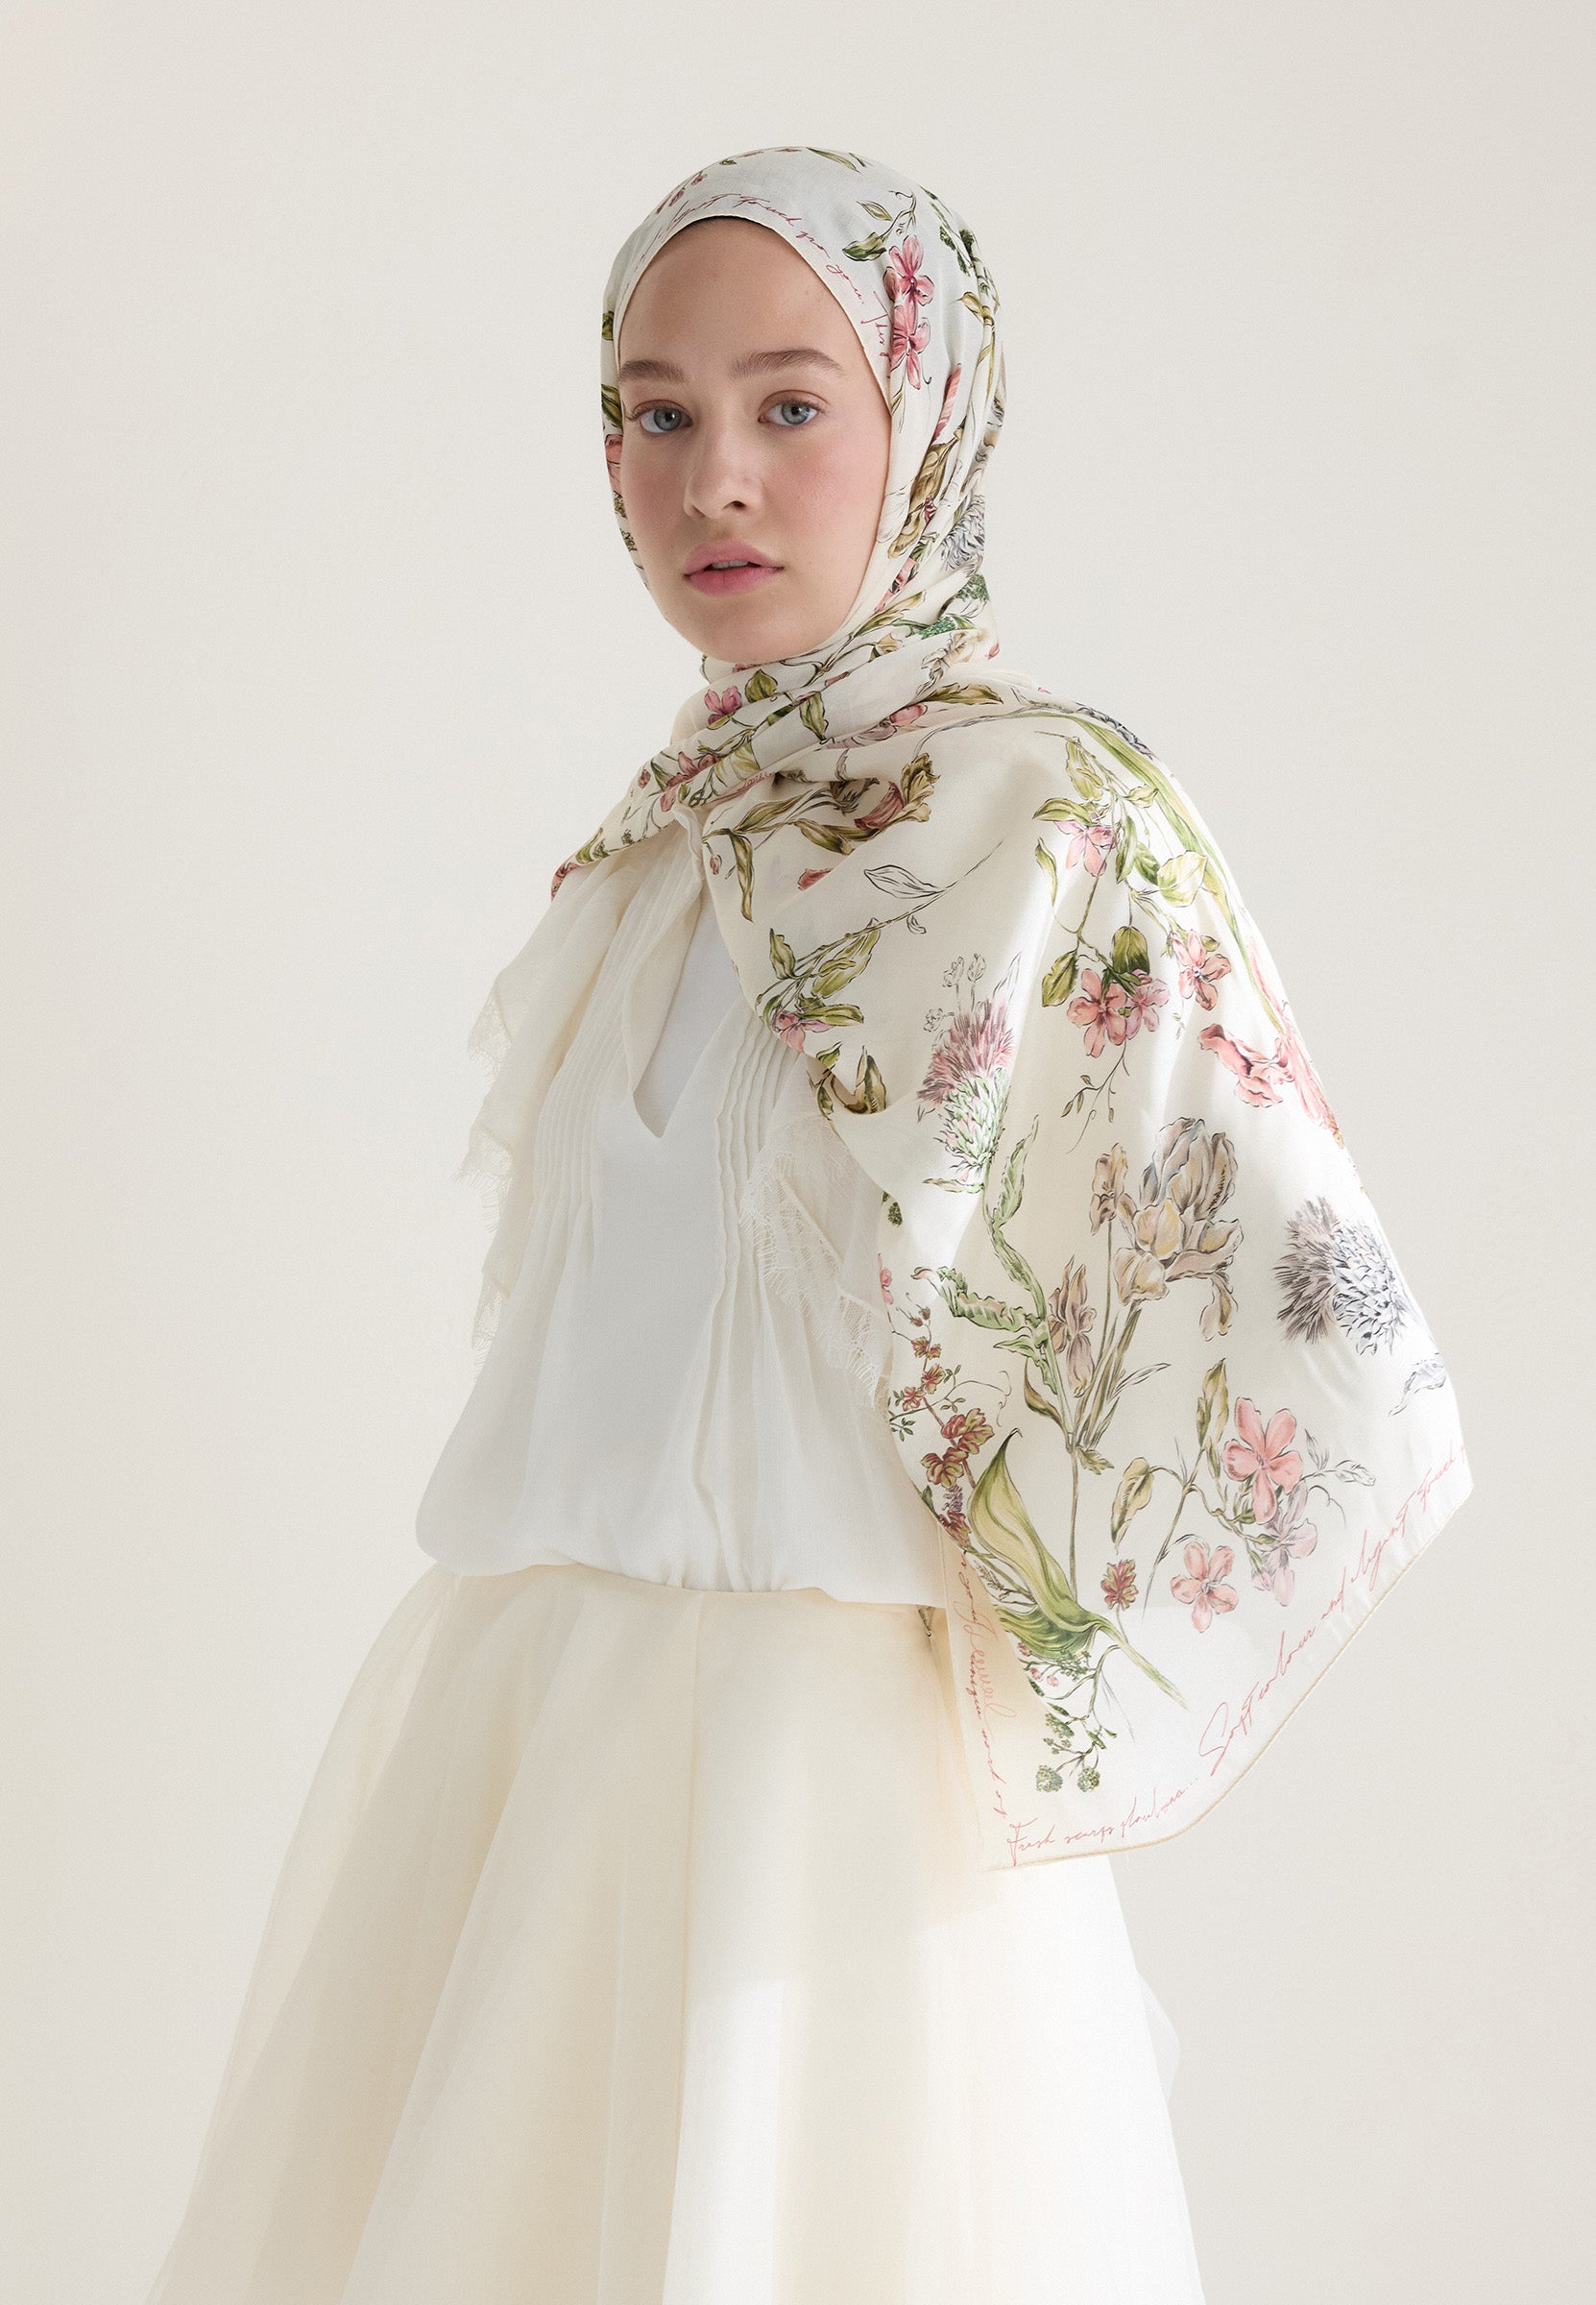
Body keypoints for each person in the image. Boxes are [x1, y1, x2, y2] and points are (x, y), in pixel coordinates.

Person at [145, 145, 1469, 2304]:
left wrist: (1058, 1581)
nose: (715, 481)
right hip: (526, 1751)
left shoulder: (1054, 823)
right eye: (655, 413)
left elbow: (1306, 1325)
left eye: (789, 403)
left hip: (845, 1801)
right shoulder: (661, 851)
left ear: (924, 419)